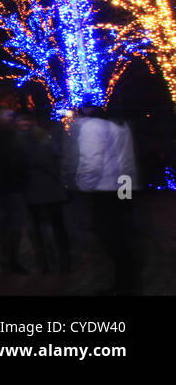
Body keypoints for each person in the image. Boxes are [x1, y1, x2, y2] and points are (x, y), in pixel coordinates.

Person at [65, 104, 140, 295]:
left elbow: (92, 161)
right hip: (124, 184)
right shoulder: (120, 124)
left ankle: (123, 281)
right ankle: (129, 277)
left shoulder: (92, 127)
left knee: (111, 234)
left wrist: (84, 186)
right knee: (124, 230)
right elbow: (126, 158)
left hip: (105, 188)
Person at [16, 113, 70, 275]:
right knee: (56, 226)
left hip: (33, 188)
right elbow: (57, 157)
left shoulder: (18, 142)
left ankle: (45, 264)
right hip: (50, 187)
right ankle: (63, 263)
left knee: (38, 228)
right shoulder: (44, 137)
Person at [0, 105, 27, 274]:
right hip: (9, 185)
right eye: (6, 115)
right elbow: (7, 161)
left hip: (7, 184)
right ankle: (11, 259)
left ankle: (8, 258)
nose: (11, 117)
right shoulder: (2, 137)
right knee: (13, 223)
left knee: (8, 223)